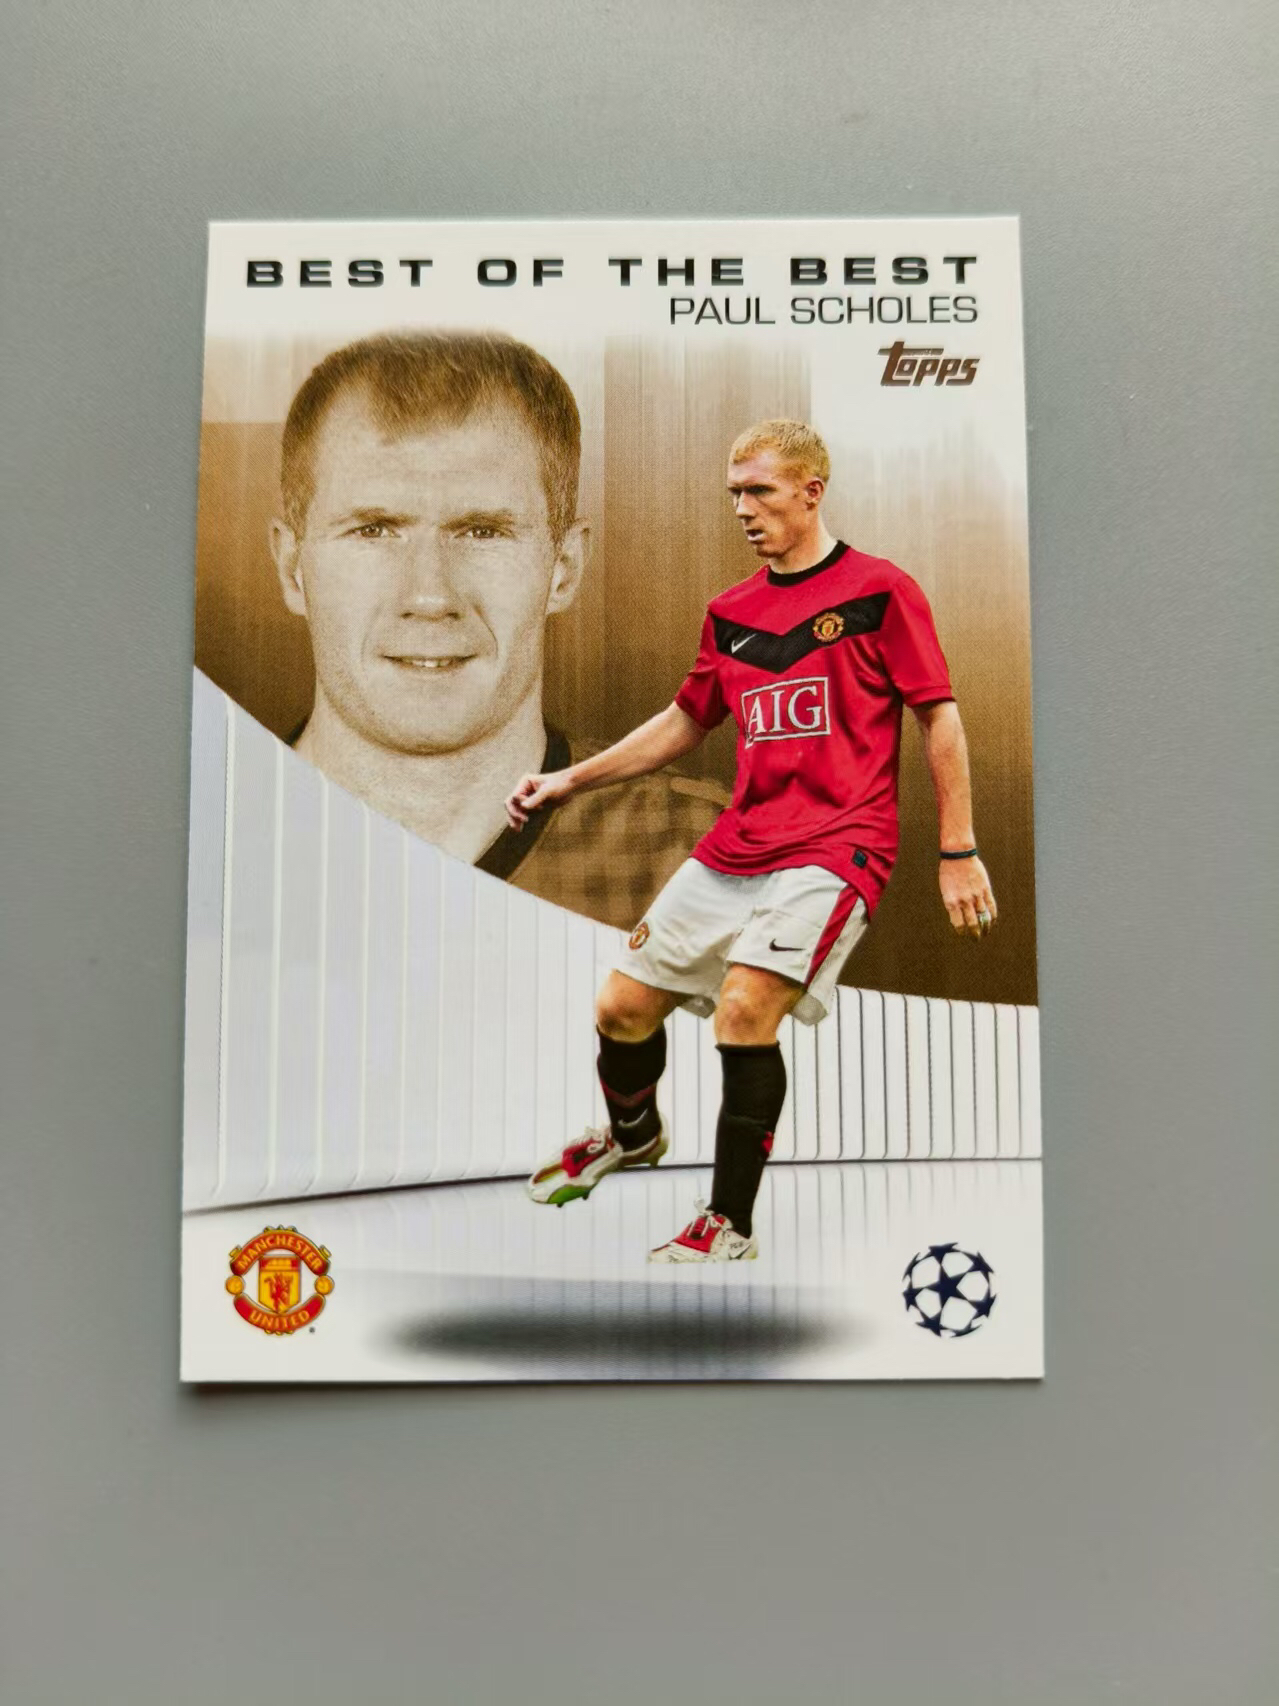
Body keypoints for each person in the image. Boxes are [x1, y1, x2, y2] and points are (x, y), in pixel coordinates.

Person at [506, 419, 999, 1262]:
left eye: (759, 490)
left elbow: (938, 719)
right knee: (620, 1009)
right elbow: (685, 721)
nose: (742, 507)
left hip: (838, 844)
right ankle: (633, 1137)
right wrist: (567, 780)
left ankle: (727, 1223)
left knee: (742, 1010)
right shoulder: (730, 612)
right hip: (739, 843)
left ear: (811, 492)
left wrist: (957, 849)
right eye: (734, 492)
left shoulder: (881, 591)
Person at [269, 330, 723, 928]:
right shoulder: (198, 833)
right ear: (293, 569)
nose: (430, 596)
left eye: (482, 532)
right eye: (374, 530)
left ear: (563, 569)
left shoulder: (720, 861)